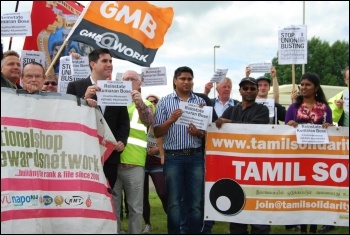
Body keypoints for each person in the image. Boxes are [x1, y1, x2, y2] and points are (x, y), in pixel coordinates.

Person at [66, 48, 130, 193]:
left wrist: (122, 140)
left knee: (107, 195)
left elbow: (123, 122)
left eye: (111, 61)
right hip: (84, 153)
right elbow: (69, 117)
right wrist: (83, 98)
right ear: (93, 64)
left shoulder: (118, 89)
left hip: (110, 156)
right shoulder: (75, 86)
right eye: (105, 61)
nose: (109, 64)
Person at [153, 66, 206, 234]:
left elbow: (207, 133)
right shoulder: (165, 101)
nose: (186, 82)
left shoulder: (200, 103)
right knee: (174, 203)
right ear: (175, 81)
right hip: (173, 158)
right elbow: (157, 132)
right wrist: (170, 120)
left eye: (189, 79)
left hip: (195, 157)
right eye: (182, 78)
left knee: (196, 203)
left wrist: (198, 133)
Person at [214, 77, 270, 234]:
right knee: (237, 204)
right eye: (245, 88)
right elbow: (218, 128)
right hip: (235, 167)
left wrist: (229, 123)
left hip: (256, 166)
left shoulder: (262, 110)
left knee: (257, 203)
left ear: (257, 91)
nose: (249, 91)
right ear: (240, 91)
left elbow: (255, 129)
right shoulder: (231, 109)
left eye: (252, 88)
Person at [285, 72, 333, 235]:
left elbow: (333, 130)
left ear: (316, 88)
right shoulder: (293, 107)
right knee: (300, 192)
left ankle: (313, 229)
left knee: (315, 193)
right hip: (298, 157)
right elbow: (284, 132)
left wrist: (329, 126)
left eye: (307, 84)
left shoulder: (325, 108)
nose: (303, 87)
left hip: (318, 159)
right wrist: (290, 125)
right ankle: (302, 229)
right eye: (302, 84)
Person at [113, 70, 155, 234]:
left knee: (135, 208)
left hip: (135, 163)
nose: (129, 82)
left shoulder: (146, 104)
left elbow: (150, 121)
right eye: (125, 79)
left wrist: (140, 104)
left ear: (139, 83)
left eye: (133, 79)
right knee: (113, 207)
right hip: (114, 162)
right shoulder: (113, 101)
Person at [142, 94, 167, 234]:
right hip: (141, 163)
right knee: (143, 196)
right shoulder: (141, 119)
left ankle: (173, 219)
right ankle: (147, 224)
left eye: (154, 101)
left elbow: (171, 138)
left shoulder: (162, 119)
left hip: (157, 161)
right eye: (149, 102)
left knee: (163, 193)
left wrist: (158, 148)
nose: (151, 104)